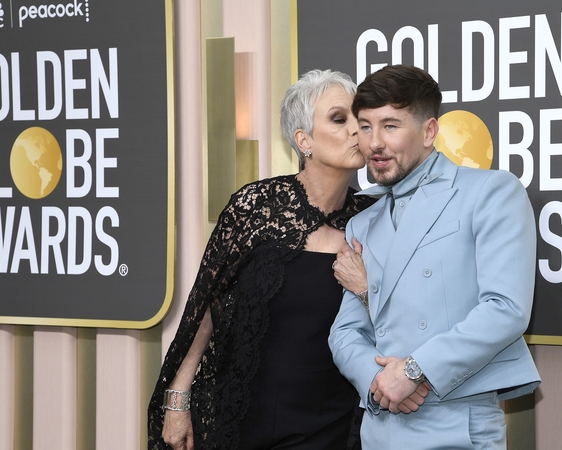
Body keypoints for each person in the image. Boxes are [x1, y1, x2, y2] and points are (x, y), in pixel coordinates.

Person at [147, 69, 377, 450]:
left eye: (361, 119)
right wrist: (179, 397)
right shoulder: (256, 205)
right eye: (340, 119)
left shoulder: (373, 219)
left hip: (332, 424)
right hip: (244, 416)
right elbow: (208, 306)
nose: (358, 130)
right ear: (304, 140)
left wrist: (367, 289)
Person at [329, 65, 541, 450]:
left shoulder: (491, 192)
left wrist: (415, 371)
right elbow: (345, 332)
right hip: (379, 427)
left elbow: (506, 308)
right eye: (364, 126)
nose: (374, 142)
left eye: (390, 126)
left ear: (429, 132)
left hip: (456, 424)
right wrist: (379, 384)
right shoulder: (362, 223)